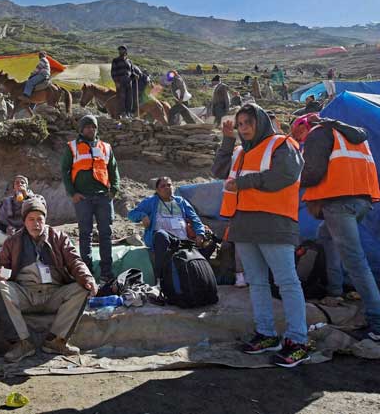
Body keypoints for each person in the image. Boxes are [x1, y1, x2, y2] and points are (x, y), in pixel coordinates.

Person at [212, 103, 310, 367]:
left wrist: (244, 183)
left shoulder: (281, 144)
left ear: (261, 121)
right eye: (240, 124)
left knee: (287, 283)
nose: (243, 128)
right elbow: (218, 171)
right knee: (256, 282)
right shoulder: (239, 152)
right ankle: (266, 334)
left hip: (275, 224)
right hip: (244, 224)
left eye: (248, 123)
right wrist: (226, 139)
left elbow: (285, 176)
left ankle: (298, 341)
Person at [292, 114, 380, 342]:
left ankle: (377, 322)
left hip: (339, 203)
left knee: (355, 261)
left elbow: (313, 173)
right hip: (361, 200)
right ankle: (335, 291)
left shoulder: (317, 134)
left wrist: (291, 180)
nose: (299, 139)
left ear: (305, 126)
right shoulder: (348, 134)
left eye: (298, 133)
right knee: (325, 236)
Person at [0, 198, 97, 363]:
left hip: (54, 293)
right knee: (0, 287)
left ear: (45, 220)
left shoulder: (59, 237)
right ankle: (22, 343)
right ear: (24, 221)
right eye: (31, 219)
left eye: (39, 219)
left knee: (81, 288)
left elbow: (75, 261)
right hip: (25, 292)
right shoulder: (13, 241)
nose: (36, 224)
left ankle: (56, 340)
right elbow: (0, 265)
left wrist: (87, 278)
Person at [61, 115, 120, 283]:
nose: (90, 129)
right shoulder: (72, 147)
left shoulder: (106, 147)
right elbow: (65, 171)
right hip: (83, 198)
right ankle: (86, 272)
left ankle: (106, 272)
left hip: (103, 197)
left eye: (93, 126)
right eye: (87, 127)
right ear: (81, 129)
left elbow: (113, 169)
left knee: (106, 235)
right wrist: (73, 193)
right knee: (85, 235)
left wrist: (114, 189)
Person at [128, 177, 205, 285]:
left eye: (169, 185)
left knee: (210, 242)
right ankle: (161, 280)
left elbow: (195, 218)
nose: (167, 188)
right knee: (161, 235)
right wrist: (143, 215)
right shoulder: (151, 201)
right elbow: (131, 214)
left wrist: (200, 234)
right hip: (163, 238)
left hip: (182, 239)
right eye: (163, 186)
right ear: (157, 190)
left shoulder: (180, 201)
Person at [111, 45, 134, 118]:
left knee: (129, 98)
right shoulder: (115, 60)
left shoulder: (129, 61)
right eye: (120, 50)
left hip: (128, 82)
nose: (121, 51)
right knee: (122, 98)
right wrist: (116, 82)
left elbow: (132, 72)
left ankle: (128, 113)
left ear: (126, 51)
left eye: (122, 50)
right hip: (120, 81)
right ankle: (123, 113)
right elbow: (113, 72)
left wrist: (135, 76)